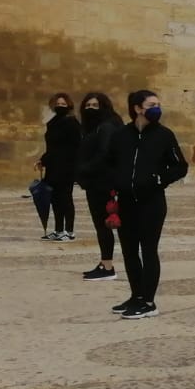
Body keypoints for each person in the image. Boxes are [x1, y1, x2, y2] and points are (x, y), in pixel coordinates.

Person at [105, 89, 189, 320]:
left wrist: (159, 179)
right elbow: (109, 163)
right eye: (151, 105)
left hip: (152, 203)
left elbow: (180, 166)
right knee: (129, 251)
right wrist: (115, 183)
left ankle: (149, 302)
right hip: (125, 203)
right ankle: (136, 296)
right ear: (137, 108)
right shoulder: (121, 135)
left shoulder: (164, 135)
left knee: (148, 250)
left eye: (158, 104)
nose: (156, 108)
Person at [75, 92, 124, 279]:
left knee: (103, 225)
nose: (90, 109)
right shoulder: (96, 128)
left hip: (102, 183)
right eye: (88, 106)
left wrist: (84, 169)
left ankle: (108, 266)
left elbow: (104, 153)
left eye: (95, 106)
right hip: (96, 182)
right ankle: (105, 263)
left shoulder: (106, 127)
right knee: (102, 225)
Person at [37, 93, 81, 241]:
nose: (60, 106)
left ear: (68, 105)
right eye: (58, 104)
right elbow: (52, 147)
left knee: (65, 198)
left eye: (63, 104)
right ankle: (58, 230)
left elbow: (76, 147)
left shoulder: (72, 123)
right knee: (55, 199)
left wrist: (75, 167)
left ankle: (69, 231)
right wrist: (43, 160)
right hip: (53, 167)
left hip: (66, 167)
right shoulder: (52, 123)